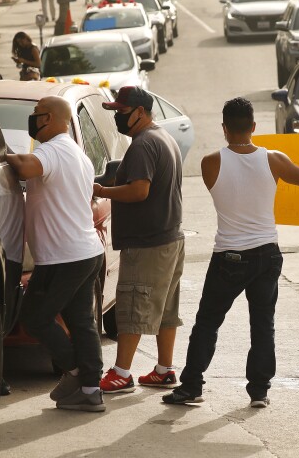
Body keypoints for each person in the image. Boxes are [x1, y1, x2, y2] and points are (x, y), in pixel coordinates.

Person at [163, 97, 299, 408]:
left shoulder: (210, 163)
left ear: (224, 128)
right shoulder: (275, 159)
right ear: (254, 127)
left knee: (207, 323)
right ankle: (259, 392)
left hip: (228, 256)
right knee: (262, 323)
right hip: (267, 254)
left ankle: (191, 387)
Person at [7, 96, 106, 413]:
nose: (33, 119)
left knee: (34, 318)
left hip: (62, 257)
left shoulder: (53, 151)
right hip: (85, 252)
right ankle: (90, 389)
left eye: (35, 114)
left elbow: (24, 168)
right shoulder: (78, 154)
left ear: (49, 118)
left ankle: (76, 371)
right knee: (81, 321)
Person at [94, 86, 185, 394]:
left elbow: (139, 190)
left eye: (122, 112)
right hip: (170, 237)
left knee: (132, 306)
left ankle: (120, 373)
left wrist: (103, 192)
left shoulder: (144, 144)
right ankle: (164, 369)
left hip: (147, 243)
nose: (118, 118)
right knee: (166, 309)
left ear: (141, 113)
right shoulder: (164, 137)